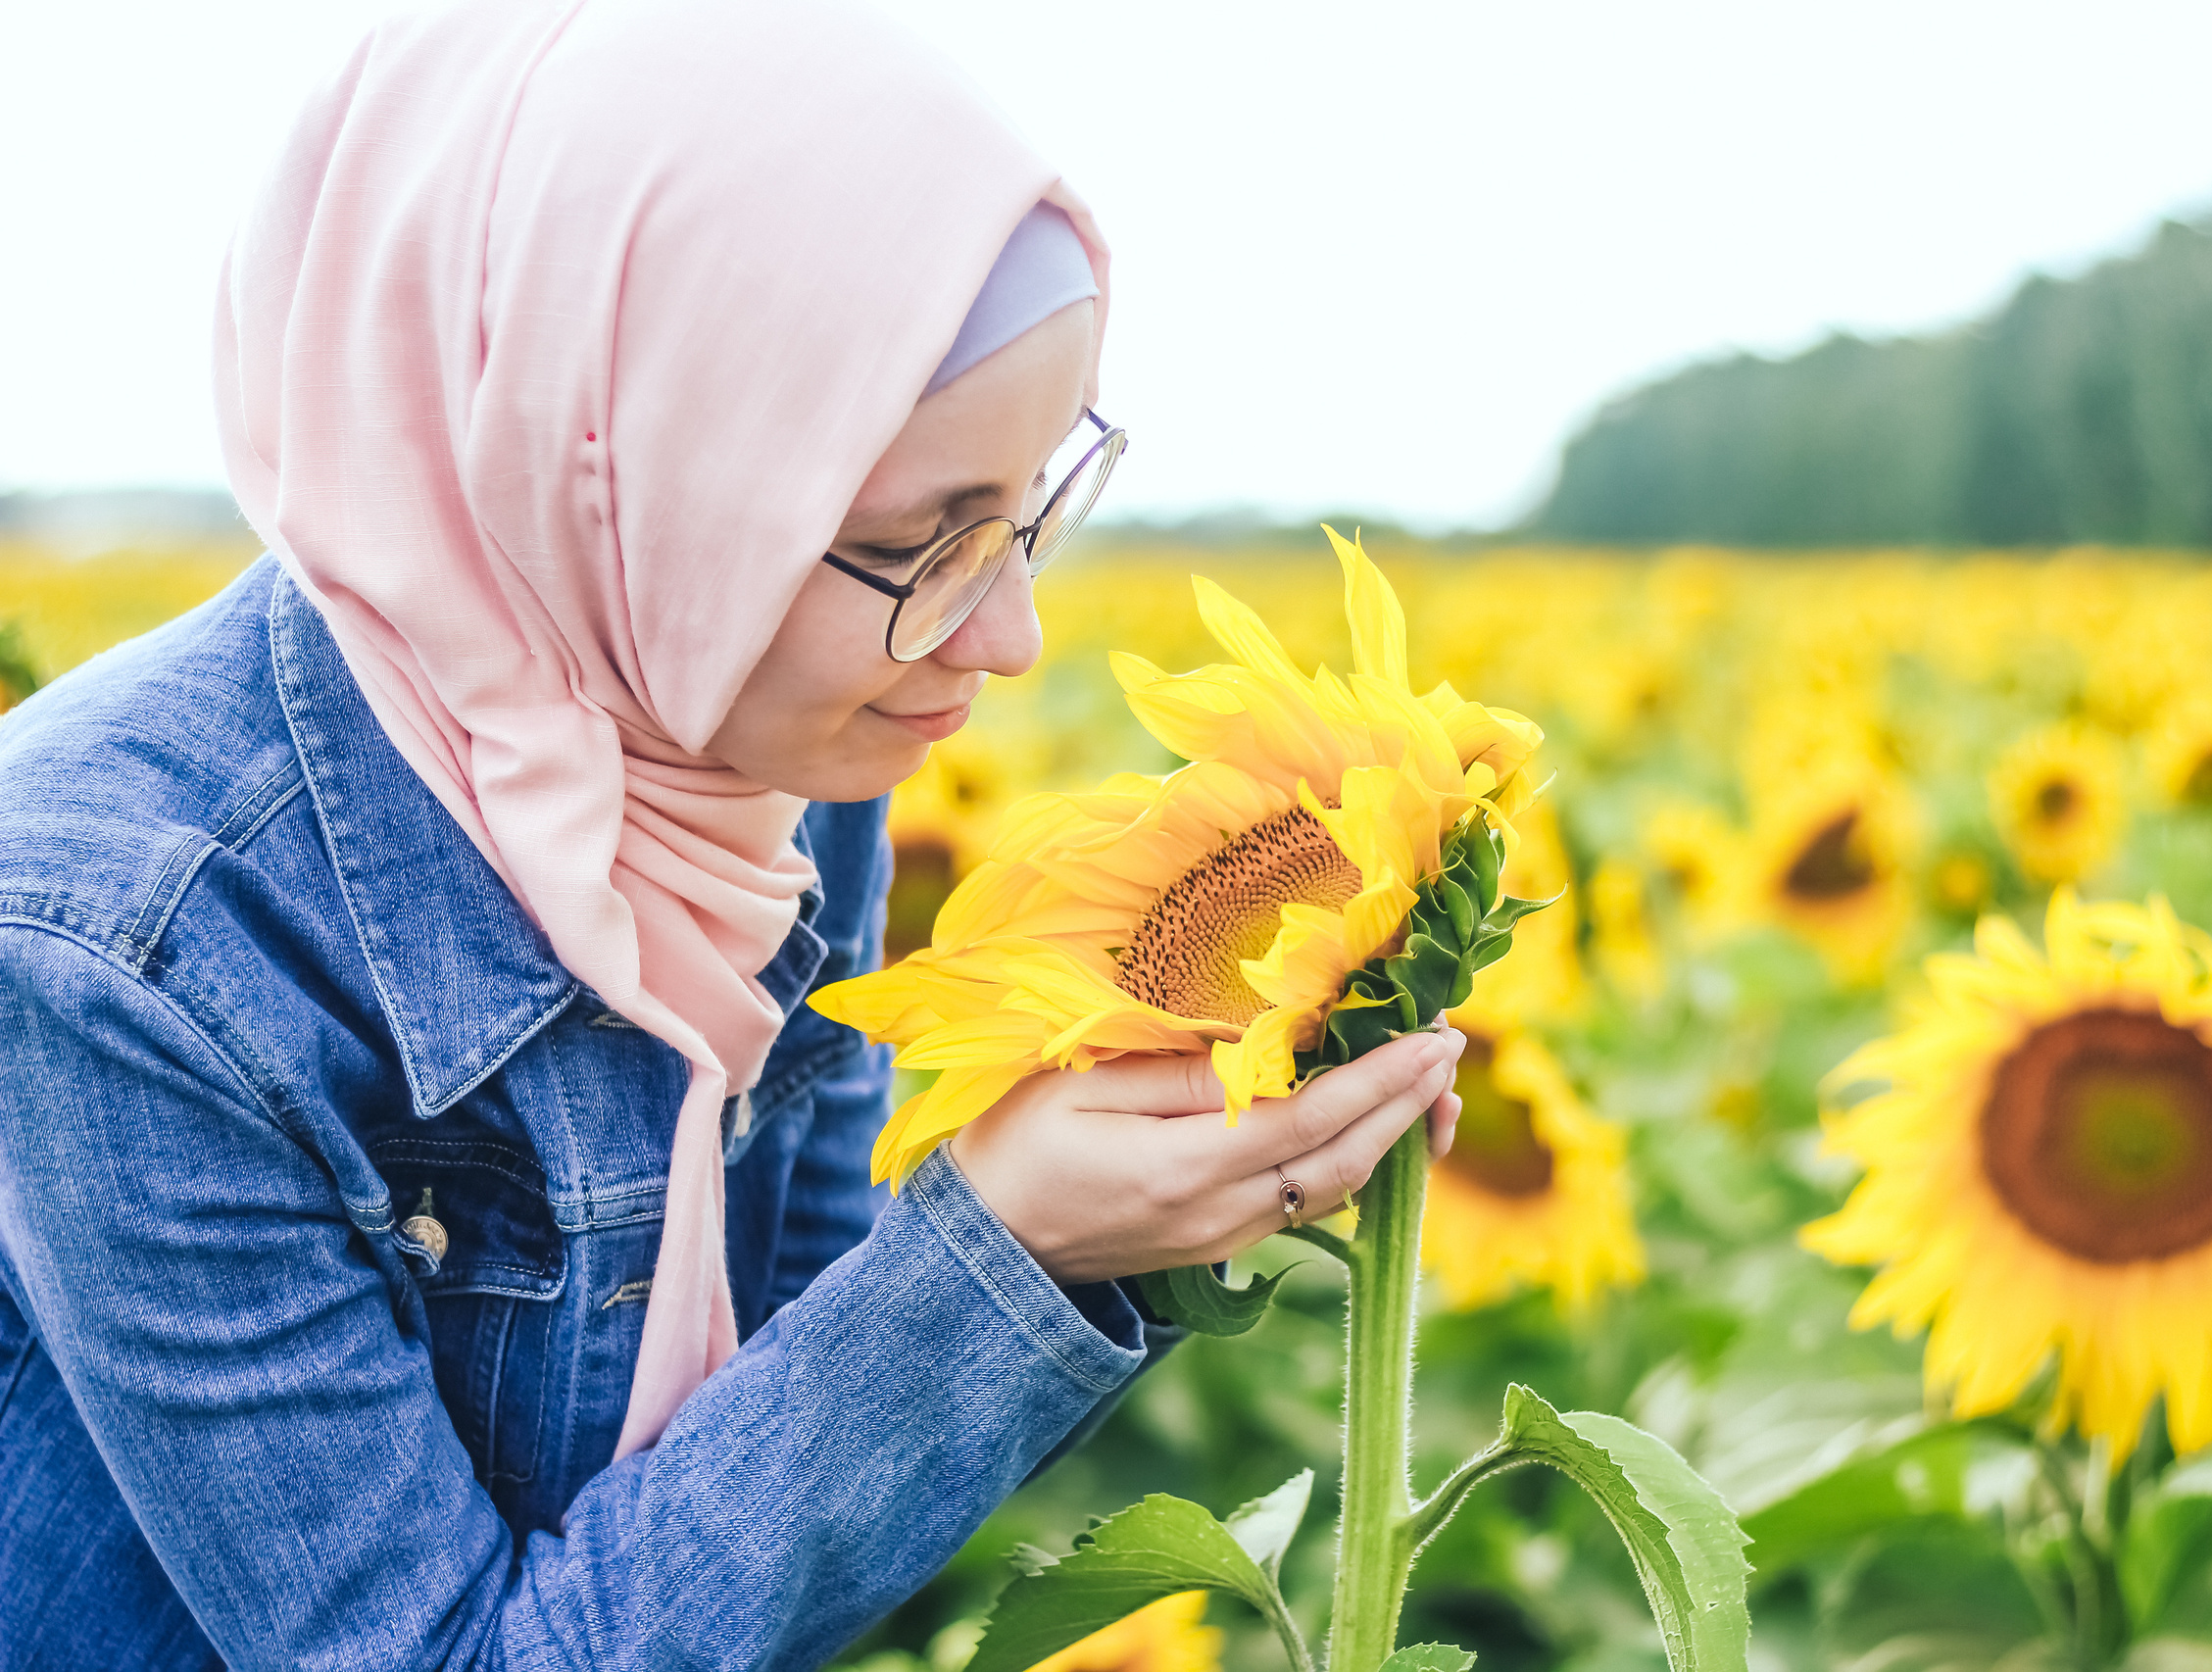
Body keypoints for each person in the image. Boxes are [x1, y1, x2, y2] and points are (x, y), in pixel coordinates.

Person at [0, 3, 1464, 1666]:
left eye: (1033, 502)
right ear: (621, 490)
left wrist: (1127, 1195)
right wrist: (1007, 1254)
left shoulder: (749, 748)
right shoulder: (123, 947)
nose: (1008, 637)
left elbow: (777, 1440)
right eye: (925, 544)